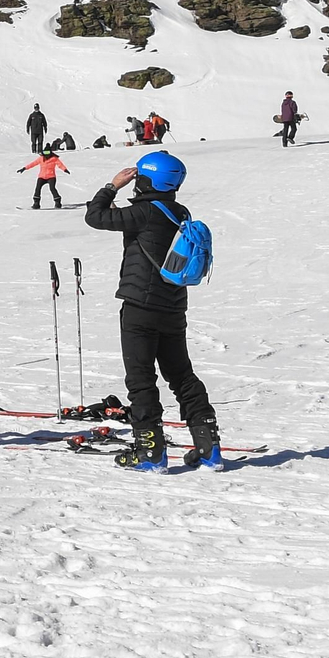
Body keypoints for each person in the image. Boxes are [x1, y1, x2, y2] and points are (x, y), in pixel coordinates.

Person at [84, 151, 221, 472]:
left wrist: (111, 186)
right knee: (181, 375)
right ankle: (209, 448)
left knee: (141, 379)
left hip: (140, 309)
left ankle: (150, 452)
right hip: (173, 307)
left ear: (145, 180)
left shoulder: (143, 212)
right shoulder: (180, 211)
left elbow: (95, 217)